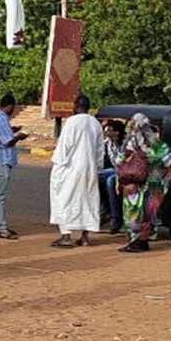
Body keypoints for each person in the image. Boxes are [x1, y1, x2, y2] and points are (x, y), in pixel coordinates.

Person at [49, 95, 105, 248]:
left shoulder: (72, 122)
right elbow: (100, 150)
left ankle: (66, 236)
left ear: (75, 106)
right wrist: (97, 168)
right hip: (90, 168)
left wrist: (57, 166)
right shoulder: (95, 124)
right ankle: (85, 237)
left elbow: (64, 148)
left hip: (70, 168)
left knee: (62, 198)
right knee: (88, 199)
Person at [117, 113, 171, 253]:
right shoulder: (156, 143)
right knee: (147, 212)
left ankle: (135, 241)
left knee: (132, 211)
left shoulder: (131, 141)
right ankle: (144, 241)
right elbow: (168, 157)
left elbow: (119, 159)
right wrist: (154, 171)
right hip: (150, 184)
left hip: (133, 183)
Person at [0, 93, 27, 240]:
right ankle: (1, 228)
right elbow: (7, 141)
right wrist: (19, 136)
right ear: (10, 107)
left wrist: (13, 130)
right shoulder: (2, 119)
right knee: (0, 196)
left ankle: (1, 225)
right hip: (1, 161)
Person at [99, 120, 125, 234]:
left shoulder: (126, 144)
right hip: (115, 169)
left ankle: (116, 217)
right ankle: (104, 210)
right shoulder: (109, 143)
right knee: (96, 177)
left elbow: (122, 162)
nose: (106, 132)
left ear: (117, 133)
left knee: (110, 181)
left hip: (126, 171)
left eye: (109, 130)